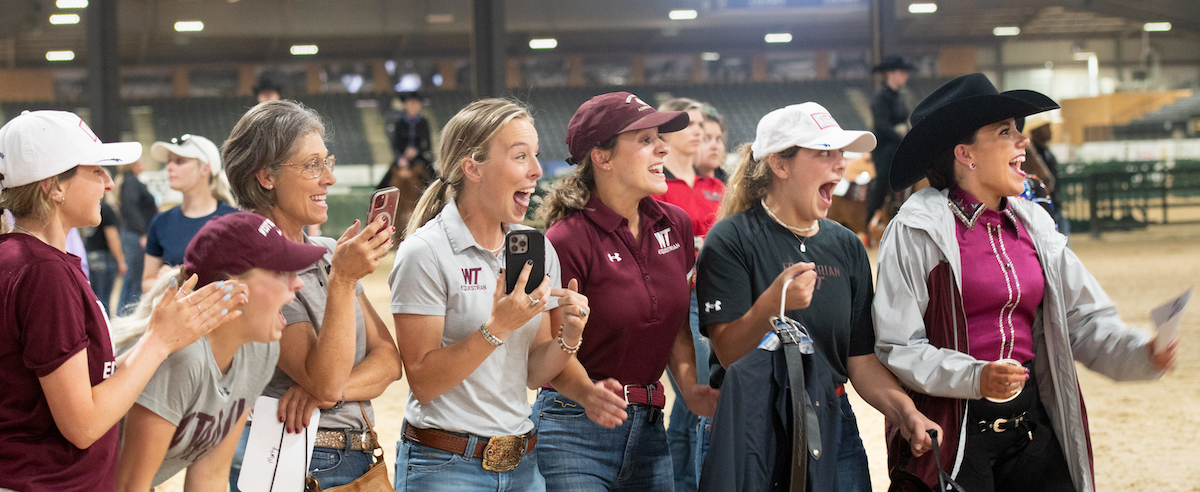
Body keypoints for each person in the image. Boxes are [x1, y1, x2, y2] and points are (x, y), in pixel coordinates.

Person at [874, 73, 1178, 492]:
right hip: (954, 433)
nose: (1023, 141)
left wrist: (1141, 352)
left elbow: (1083, 320)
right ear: (966, 154)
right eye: (1006, 131)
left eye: (1019, 129)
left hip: (1032, 426)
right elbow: (898, 346)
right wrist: (976, 376)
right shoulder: (915, 231)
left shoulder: (1037, 225)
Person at [694, 102, 940, 491]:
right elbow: (729, 354)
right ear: (780, 164)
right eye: (825, 153)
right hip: (753, 423)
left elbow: (859, 360)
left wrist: (905, 411)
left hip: (832, 418)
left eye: (841, 154)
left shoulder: (846, 246)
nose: (840, 164)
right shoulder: (730, 239)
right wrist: (773, 305)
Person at [0, 110, 245, 492]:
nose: (109, 184)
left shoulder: (20, 257)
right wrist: (158, 341)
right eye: (96, 170)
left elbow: (81, 385)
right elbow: (83, 424)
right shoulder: (43, 272)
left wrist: (158, 333)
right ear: (53, 186)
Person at [388, 98, 587, 492]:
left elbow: (532, 373)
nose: (535, 171)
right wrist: (497, 327)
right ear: (472, 167)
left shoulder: (537, 249)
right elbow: (424, 382)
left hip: (523, 468)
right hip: (444, 467)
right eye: (519, 156)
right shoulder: (424, 252)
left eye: (535, 156)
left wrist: (570, 338)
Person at [536, 91, 718, 492]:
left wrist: (690, 389)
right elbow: (546, 348)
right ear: (602, 157)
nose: (663, 148)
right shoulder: (566, 239)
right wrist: (587, 393)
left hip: (651, 429)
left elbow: (674, 323)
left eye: (661, 138)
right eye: (645, 140)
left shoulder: (677, 224)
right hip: (573, 428)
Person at [222, 99, 402, 490]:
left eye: (327, 162)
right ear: (266, 176)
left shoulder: (323, 250)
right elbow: (323, 379)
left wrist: (326, 392)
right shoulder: (255, 265)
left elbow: (389, 362)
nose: (329, 178)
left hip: (348, 457)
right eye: (311, 165)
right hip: (295, 460)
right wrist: (342, 280)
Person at [113, 212, 321, 491]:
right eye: (279, 272)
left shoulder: (261, 350)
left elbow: (210, 475)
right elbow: (127, 486)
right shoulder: (181, 355)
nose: (297, 282)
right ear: (231, 285)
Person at [652, 97, 726, 492]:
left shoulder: (713, 184)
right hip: (683, 300)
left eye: (702, 123)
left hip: (716, 299)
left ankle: (684, 482)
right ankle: (688, 481)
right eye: (690, 123)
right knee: (697, 396)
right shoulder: (657, 183)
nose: (698, 130)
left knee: (690, 404)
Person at [142, 134, 238, 293]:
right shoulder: (161, 222)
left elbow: (247, 281)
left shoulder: (235, 221)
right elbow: (146, 284)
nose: (169, 167)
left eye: (179, 161)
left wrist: (184, 278)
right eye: (168, 161)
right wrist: (166, 280)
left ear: (205, 168)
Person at [866, 55, 914, 239]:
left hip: (898, 144)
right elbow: (883, 126)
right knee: (884, 178)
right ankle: (870, 219)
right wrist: (902, 137)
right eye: (902, 72)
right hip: (884, 147)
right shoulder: (880, 98)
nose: (905, 76)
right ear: (891, 74)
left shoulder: (900, 96)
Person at [117, 158, 160, 314]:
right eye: (141, 162)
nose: (144, 165)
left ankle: (124, 315)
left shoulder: (131, 182)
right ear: (134, 165)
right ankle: (128, 315)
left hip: (135, 234)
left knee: (132, 278)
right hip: (136, 235)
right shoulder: (131, 183)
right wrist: (142, 233)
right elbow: (131, 208)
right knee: (136, 279)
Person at [1023, 113, 1069, 236]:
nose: (1050, 130)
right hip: (1041, 209)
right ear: (1036, 130)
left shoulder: (1046, 152)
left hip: (1054, 207)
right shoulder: (1029, 154)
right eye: (1046, 126)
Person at [382, 91, 435, 188]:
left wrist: (417, 151)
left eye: (416, 103)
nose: (413, 106)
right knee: (384, 183)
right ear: (405, 105)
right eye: (410, 103)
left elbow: (428, 145)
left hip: (419, 158)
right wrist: (400, 157)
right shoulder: (399, 123)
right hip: (402, 158)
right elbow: (395, 144)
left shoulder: (424, 123)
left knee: (434, 178)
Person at [85, 198, 126, 314]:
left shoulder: (87, 208)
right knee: (104, 300)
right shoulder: (106, 209)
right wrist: (120, 260)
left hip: (90, 256)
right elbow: (112, 237)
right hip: (104, 257)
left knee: (94, 299)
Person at [697, 104, 729, 184]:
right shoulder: (676, 183)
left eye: (718, 139)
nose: (715, 146)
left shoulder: (731, 185)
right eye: (706, 139)